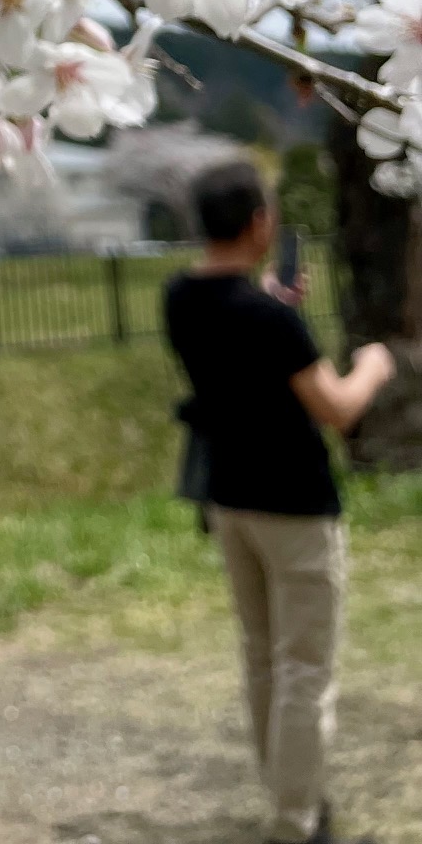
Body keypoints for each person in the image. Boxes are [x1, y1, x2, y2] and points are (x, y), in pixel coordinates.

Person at [165, 158, 397, 844]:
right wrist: (375, 366)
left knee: (263, 654)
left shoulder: (181, 297)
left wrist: (273, 304)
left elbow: (237, 331)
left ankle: (287, 791)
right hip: (294, 505)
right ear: (260, 222)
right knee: (305, 667)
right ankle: (297, 820)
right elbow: (337, 409)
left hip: (229, 500)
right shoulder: (271, 320)